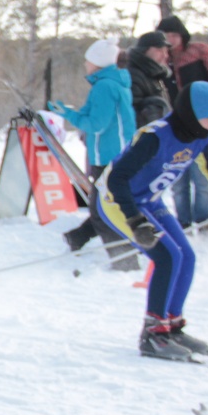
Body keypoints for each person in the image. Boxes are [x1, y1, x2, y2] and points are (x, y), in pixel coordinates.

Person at [96, 81, 208, 361]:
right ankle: (153, 335)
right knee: (167, 257)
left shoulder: (202, 135)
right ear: (192, 113)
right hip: (118, 202)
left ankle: (172, 326)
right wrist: (135, 222)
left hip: (150, 200)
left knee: (187, 256)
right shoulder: (155, 137)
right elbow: (116, 179)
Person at [51, 38, 138, 270]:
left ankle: (124, 260)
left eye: (88, 60)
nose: (85, 65)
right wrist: (68, 111)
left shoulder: (105, 86)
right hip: (113, 155)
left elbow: (96, 125)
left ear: (98, 62)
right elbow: (91, 114)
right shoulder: (109, 83)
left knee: (103, 211)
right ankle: (78, 238)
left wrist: (70, 117)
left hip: (110, 156)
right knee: (103, 207)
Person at [156, 16, 208, 225]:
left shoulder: (199, 51)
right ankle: (184, 222)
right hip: (176, 122)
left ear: (182, 34)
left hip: (203, 119)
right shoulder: (163, 59)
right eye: (167, 36)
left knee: (203, 172)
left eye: (174, 35)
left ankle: (203, 219)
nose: (171, 40)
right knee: (178, 176)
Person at [126, 32, 172, 127]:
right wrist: (153, 113)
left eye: (166, 51)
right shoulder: (133, 75)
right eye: (159, 50)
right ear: (144, 50)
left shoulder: (154, 73)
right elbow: (130, 114)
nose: (165, 55)